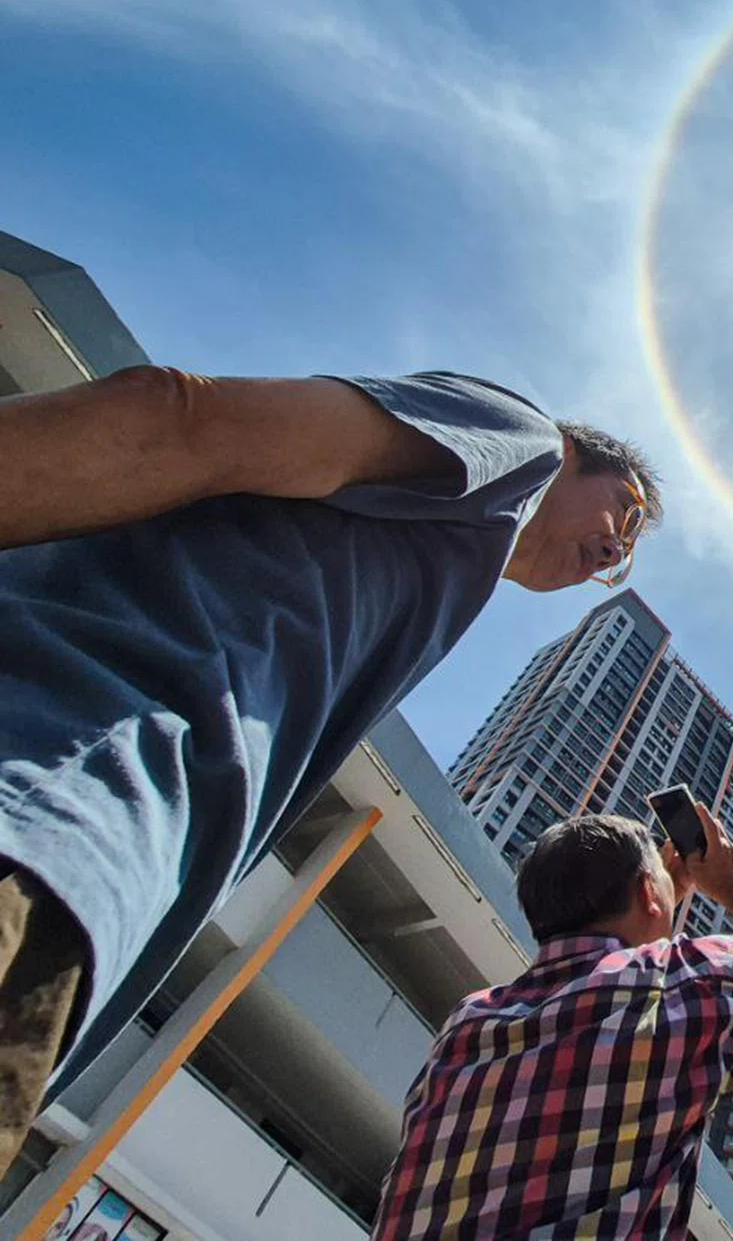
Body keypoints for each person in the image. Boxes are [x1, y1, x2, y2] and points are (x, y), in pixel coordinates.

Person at [0, 364, 661, 1166]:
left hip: (81, 871)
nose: (616, 548)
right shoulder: (521, 442)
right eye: (621, 510)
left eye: (629, 548)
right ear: (573, 457)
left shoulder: (435, 565)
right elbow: (179, 418)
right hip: (53, 795)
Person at [373, 801, 733, 1240]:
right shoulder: (690, 976)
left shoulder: (470, 1019)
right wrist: (730, 888)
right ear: (647, 891)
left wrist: (659, 902)